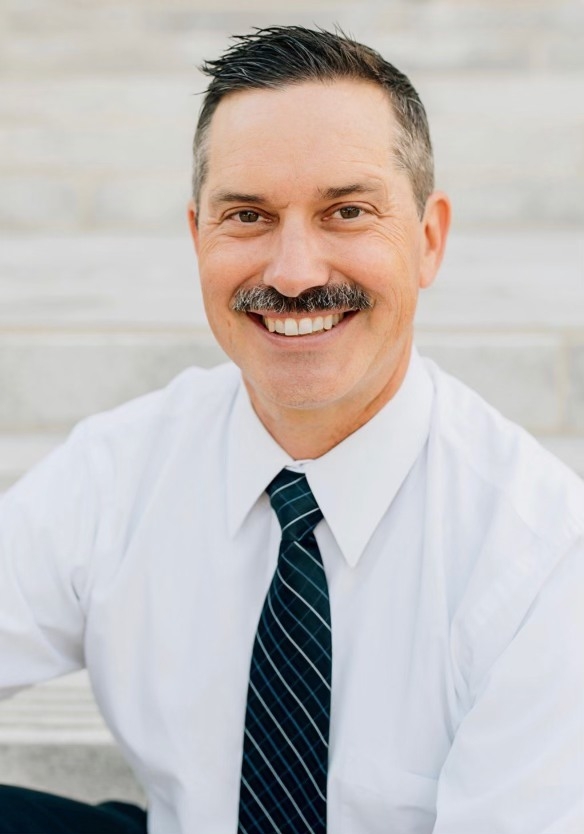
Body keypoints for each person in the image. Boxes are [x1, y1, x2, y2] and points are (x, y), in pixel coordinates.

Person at [0, 24, 582, 834]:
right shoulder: (119, 470)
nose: (295, 271)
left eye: (347, 211)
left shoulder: (543, 552)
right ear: (197, 235)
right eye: (248, 215)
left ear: (428, 239)